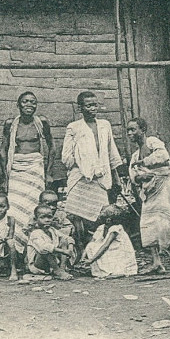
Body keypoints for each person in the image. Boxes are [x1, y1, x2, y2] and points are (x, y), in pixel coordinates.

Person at [61, 91, 123, 259]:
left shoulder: (105, 125)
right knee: (76, 215)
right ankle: (80, 248)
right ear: (80, 108)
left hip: (101, 176)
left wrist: (115, 177)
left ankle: (98, 251)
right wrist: (85, 164)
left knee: (101, 215)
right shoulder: (74, 128)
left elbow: (111, 153)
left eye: (94, 105)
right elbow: (66, 157)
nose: (92, 109)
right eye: (88, 105)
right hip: (80, 177)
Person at [127, 117, 170, 275]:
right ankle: (156, 262)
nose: (130, 133)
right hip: (149, 191)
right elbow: (133, 175)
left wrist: (143, 163)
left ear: (142, 130)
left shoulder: (152, 142)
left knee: (161, 221)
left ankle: (161, 255)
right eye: (128, 130)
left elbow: (164, 156)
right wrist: (140, 177)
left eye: (133, 129)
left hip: (163, 186)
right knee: (147, 224)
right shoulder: (135, 155)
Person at [0, 92, 53, 229]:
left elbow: (52, 147)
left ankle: (33, 240)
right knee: (15, 206)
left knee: (36, 203)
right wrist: (6, 178)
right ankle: (17, 243)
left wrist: (48, 173)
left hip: (35, 169)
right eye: (25, 101)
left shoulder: (42, 122)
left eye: (33, 102)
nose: (29, 104)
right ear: (18, 105)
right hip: (16, 170)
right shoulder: (10, 124)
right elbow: (3, 151)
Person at [81, 204, 138, 278]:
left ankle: (116, 271)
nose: (99, 215)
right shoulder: (101, 228)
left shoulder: (116, 229)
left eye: (102, 213)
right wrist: (83, 257)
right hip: (110, 251)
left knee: (101, 248)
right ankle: (103, 270)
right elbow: (91, 242)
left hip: (119, 253)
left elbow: (106, 245)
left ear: (108, 220)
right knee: (91, 245)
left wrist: (91, 260)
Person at [25, 204, 75, 281]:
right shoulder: (35, 233)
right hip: (38, 265)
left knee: (64, 240)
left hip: (51, 263)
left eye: (49, 217)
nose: (47, 220)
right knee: (45, 249)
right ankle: (58, 271)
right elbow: (44, 247)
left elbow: (67, 238)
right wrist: (63, 251)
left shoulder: (52, 230)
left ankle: (62, 269)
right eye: (42, 217)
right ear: (35, 219)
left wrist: (70, 249)